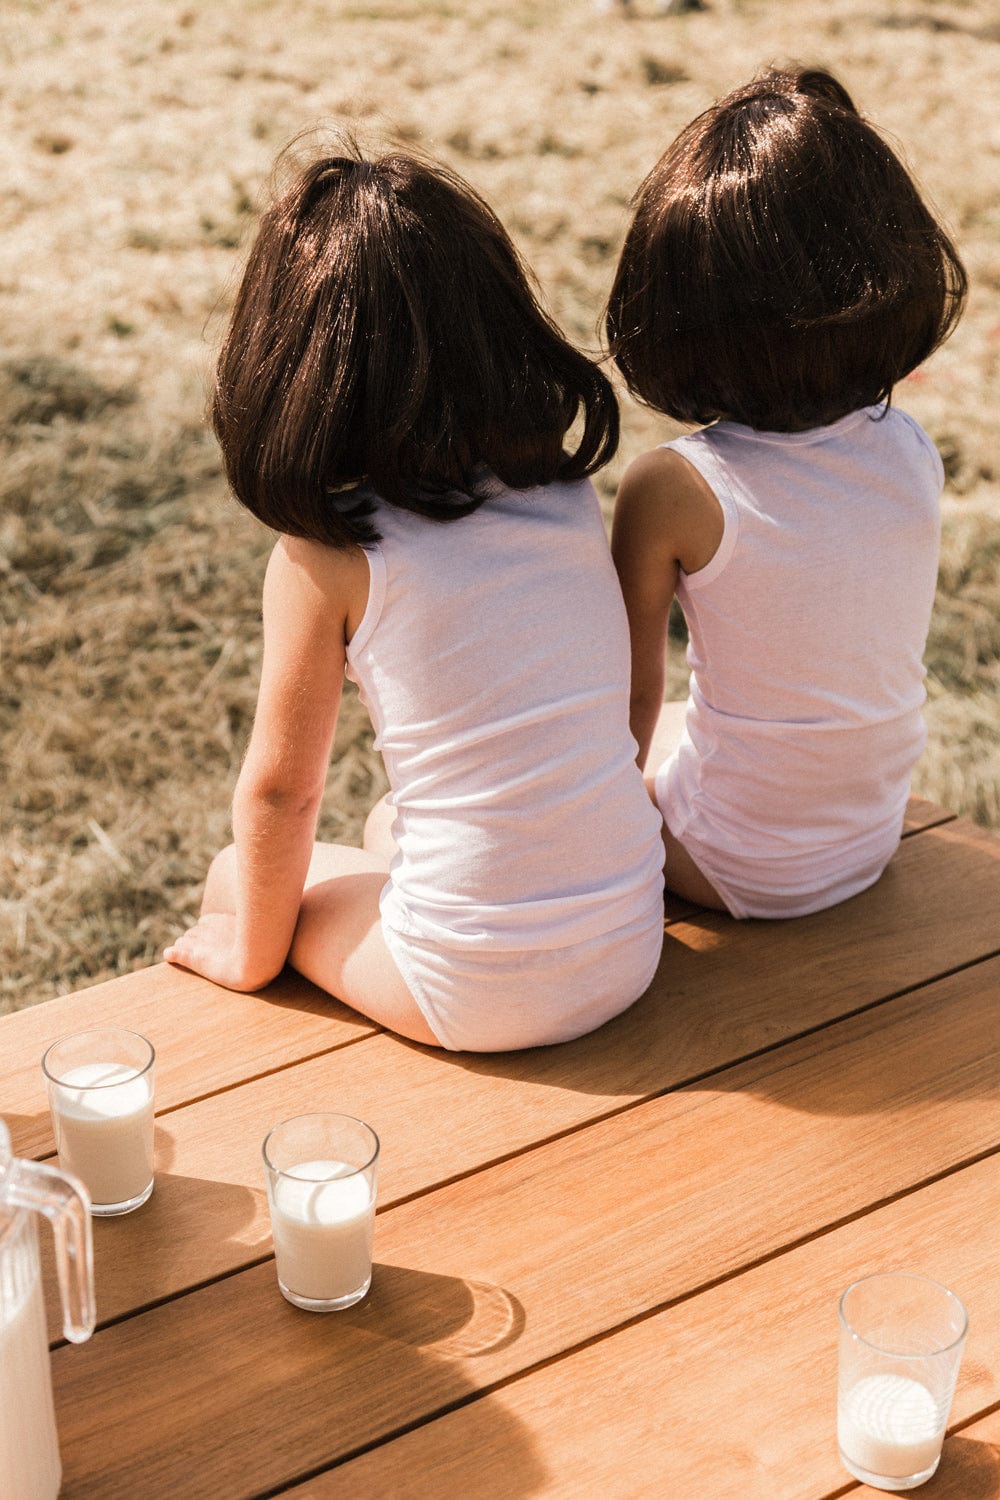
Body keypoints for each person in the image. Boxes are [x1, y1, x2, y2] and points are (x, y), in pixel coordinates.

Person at [164, 144, 665, 1051]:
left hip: (475, 991)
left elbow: (281, 795)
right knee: (387, 823)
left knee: (240, 879)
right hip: (630, 942)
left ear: (288, 369)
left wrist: (250, 950)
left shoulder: (329, 556)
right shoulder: (564, 495)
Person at [606, 67, 967, 919]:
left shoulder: (676, 486)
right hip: (866, 840)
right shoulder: (909, 448)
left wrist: (599, 835)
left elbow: (623, 697)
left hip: (729, 863)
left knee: (414, 817)